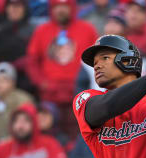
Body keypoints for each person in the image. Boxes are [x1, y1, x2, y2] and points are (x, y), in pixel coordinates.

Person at [26, 0, 97, 140]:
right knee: (48, 131)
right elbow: (32, 61)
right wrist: (41, 82)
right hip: (50, 92)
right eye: (57, 6)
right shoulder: (42, 30)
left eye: (64, 6)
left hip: (78, 92)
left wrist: (86, 85)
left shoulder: (87, 29)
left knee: (79, 131)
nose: (60, 10)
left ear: (72, 7)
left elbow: (96, 60)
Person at [0, 103, 67, 158]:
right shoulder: (1, 148)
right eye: (16, 121)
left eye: (26, 121)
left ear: (34, 123)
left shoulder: (50, 144)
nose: (20, 126)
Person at [0, 0, 37, 92]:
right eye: (11, 6)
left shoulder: (34, 31)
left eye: (18, 6)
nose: (14, 9)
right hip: (0, 74)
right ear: (6, 9)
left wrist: (19, 64)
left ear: (24, 9)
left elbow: (35, 56)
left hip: (24, 75)